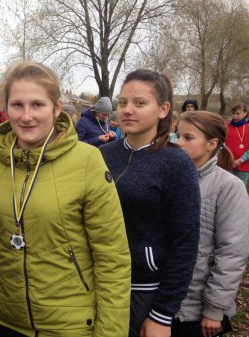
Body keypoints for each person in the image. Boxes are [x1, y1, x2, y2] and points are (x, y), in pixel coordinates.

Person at [0, 61, 131, 337]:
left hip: (71, 325)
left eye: (37, 105)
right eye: (17, 105)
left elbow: (112, 258)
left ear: (56, 108)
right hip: (7, 322)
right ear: (6, 108)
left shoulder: (87, 161)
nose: (26, 116)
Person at [100, 69, 201, 337]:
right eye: (122, 103)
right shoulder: (101, 155)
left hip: (143, 290)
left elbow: (185, 243)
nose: (127, 110)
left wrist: (162, 314)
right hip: (98, 283)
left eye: (139, 103)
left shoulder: (176, 163)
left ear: (163, 109)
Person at [175, 111, 249, 337]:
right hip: (162, 303)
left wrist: (214, 309)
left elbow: (232, 253)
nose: (177, 143)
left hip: (197, 310)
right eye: (178, 136)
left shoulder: (228, 187)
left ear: (212, 144)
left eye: (188, 138)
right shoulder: (171, 178)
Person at [225, 102, 249, 185]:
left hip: (244, 166)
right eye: (233, 113)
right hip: (227, 164)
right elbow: (221, 145)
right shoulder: (226, 127)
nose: (235, 116)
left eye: (238, 113)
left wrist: (241, 160)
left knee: (239, 190)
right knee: (225, 190)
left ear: (245, 113)